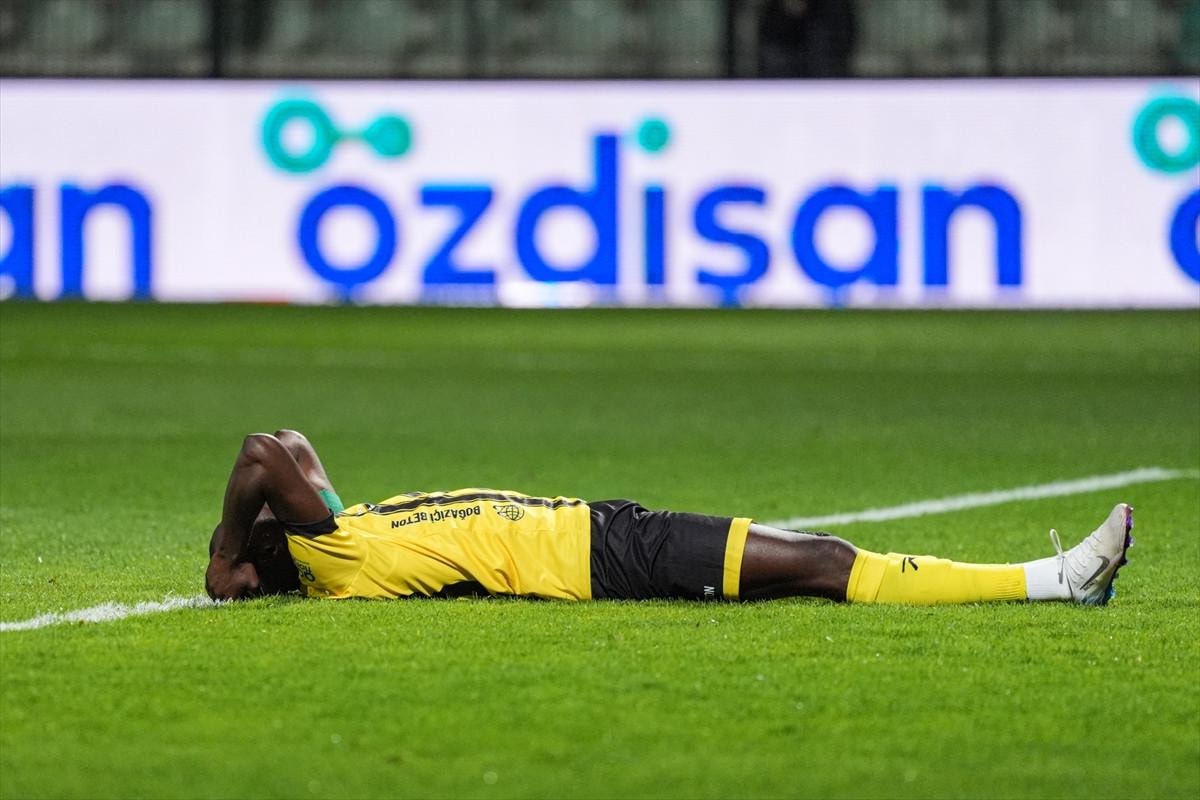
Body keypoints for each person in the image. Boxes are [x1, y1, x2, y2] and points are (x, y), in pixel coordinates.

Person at [205, 430, 1134, 607]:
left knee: (819, 558)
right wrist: (222, 557)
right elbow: (259, 454)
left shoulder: (344, 526)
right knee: (824, 562)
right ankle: (1056, 581)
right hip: (608, 558)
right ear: (284, 544)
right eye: (273, 522)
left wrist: (245, 554)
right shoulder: (336, 559)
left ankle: (1056, 582)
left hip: (603, 530)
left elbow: (290, 443)